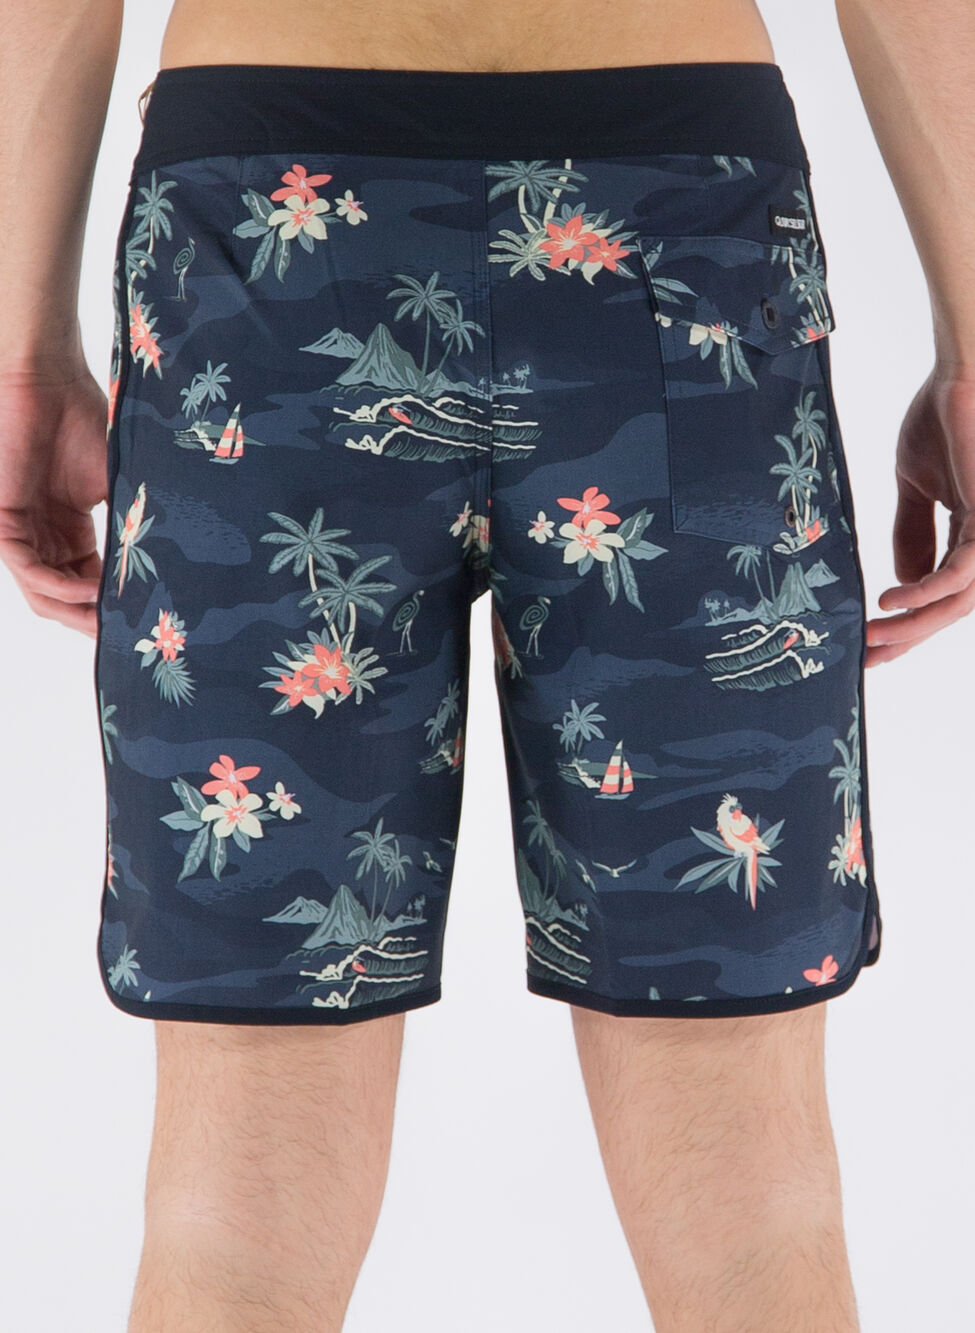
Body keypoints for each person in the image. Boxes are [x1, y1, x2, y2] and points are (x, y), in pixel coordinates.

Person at [1, 1, 972, 1329]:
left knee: (234, 1210)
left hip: (266, 241)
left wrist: (23, 352)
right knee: (754, 1200)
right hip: (677, 233)